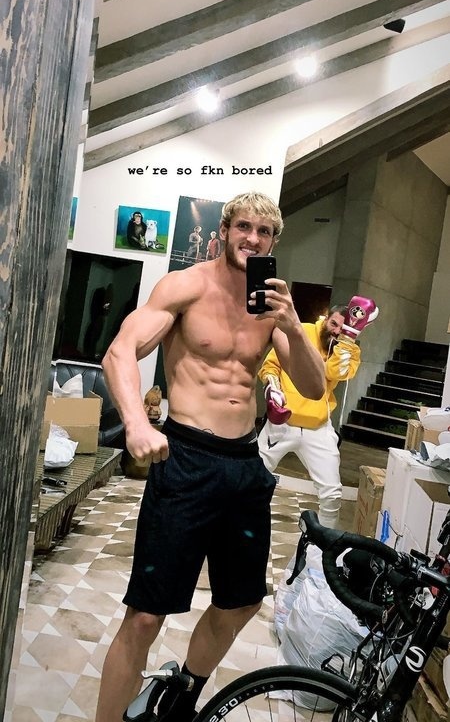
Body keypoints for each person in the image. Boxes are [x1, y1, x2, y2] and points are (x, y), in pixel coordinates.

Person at [95, 192, 325, 722]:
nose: (253, 239)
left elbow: (313, 387)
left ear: (274, 241)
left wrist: (293, 324)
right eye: (243, 226)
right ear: (223, 231)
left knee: (241, 602)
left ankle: (179, 696)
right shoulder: (186, 287)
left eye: (264, 232)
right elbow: (119, 352)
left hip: (243, 466)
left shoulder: (272, 307)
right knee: (146, 616)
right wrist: (136, 423)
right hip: (186, 460)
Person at [258, 299, 378, 529]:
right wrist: (272, 387)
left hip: (318, 427)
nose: (336, 331)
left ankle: (323, 547)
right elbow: (271, 365)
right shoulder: (301, 331)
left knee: (332, 494)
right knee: (252, 480)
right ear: (325, 318)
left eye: (341, 328)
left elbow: (336, 372)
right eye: (334, 324)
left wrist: (349, 338)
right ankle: (242, 530)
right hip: (282, 423)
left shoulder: (347, 347)